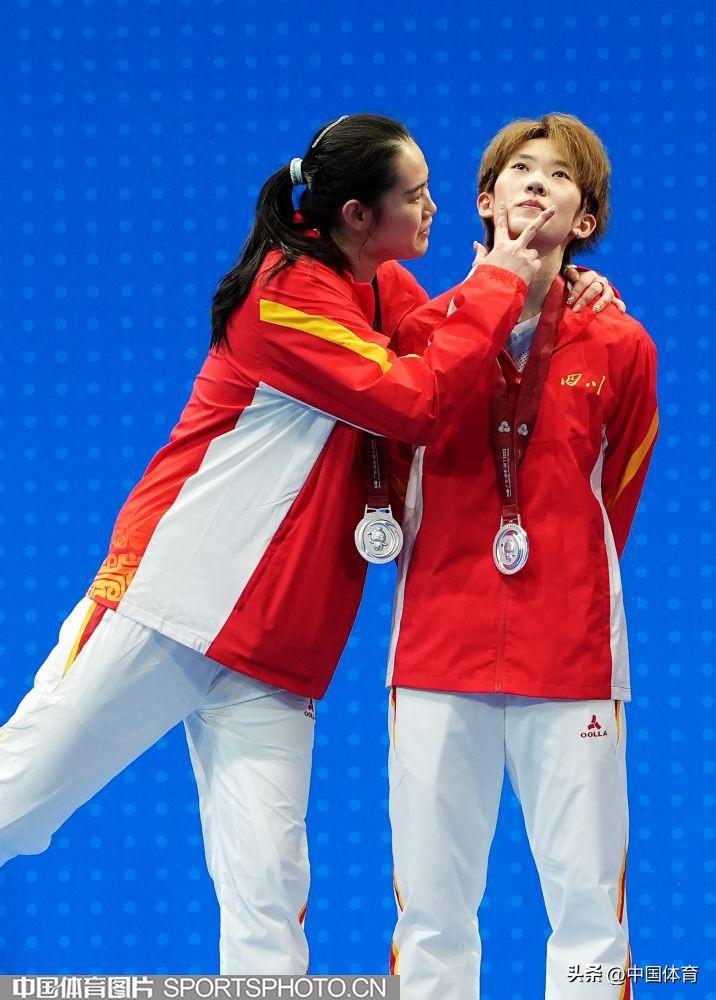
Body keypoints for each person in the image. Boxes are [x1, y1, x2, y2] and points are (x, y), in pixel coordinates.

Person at [3, 113, 612, 975]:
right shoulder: (283, 295)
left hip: (281, 647)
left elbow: (460, 344)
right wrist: (503, 279)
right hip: (173, 606)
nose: (435, 209)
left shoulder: (385, 289)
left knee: (268, 902)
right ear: (359, 216)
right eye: (416, 195)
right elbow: (415, 400)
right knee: (17, 798)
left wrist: (558, 289)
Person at [386, 113, 658, 999]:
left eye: (561, 176)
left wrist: (563, 575)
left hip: (569, 655)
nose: (538, 183)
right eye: (521, 169)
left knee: (589, 914)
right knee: (431, 914)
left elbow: (616, 495)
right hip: (437, 650)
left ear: (586, 219)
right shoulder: (422, 332)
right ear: (484, 199)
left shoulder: (621, 344)